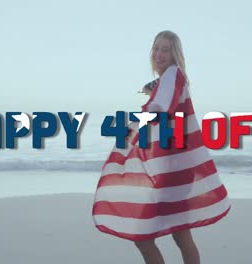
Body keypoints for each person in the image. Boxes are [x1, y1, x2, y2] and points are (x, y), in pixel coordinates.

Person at [92, 30, 231, 264]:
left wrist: (129, 129)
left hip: (171, 171)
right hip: (175, 167)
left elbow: (159, 108)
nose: (159, 54)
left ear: (174, 54)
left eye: (165, 49)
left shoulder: (173, 75)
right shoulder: (172, 79)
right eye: (156, 48)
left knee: (143, 237)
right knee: (180, 232)